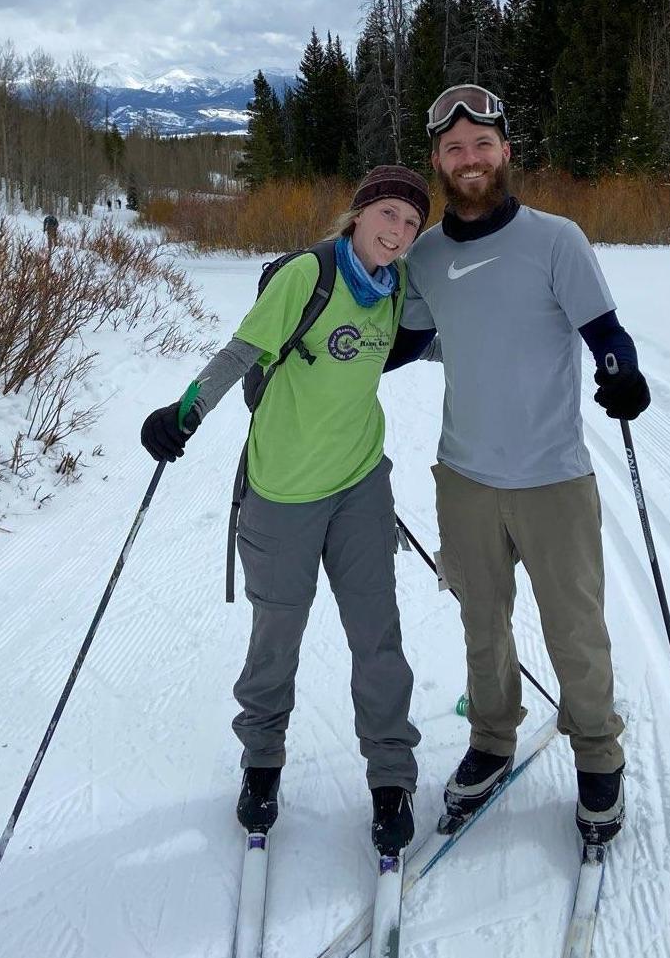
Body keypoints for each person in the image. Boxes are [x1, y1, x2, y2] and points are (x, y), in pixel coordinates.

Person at [140, 165, 431, 856]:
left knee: (377, 637)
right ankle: (262, 763)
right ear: (357, 214)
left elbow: (423, 347)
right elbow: (241, 351)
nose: (396, 233)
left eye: (411, 224)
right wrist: (182, 414)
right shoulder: (308, 275)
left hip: (360, 484)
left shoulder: (395, 290)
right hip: (280, 493)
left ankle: (391, 776)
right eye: (387, 214)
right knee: (277, 636)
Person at [387, 84, 651, 844]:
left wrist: (619, 372)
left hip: (551, 479)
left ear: (505, 151)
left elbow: (605, 331)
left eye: (481, 144)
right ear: (437, 160)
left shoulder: (555, 239)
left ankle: (598, 756)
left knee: (575, 629)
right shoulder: (427, 255)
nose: (468, 159)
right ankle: (492, 739)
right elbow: (398, 344)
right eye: (453, 148)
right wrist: (319, 308)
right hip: (463, 477)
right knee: (481, 624)